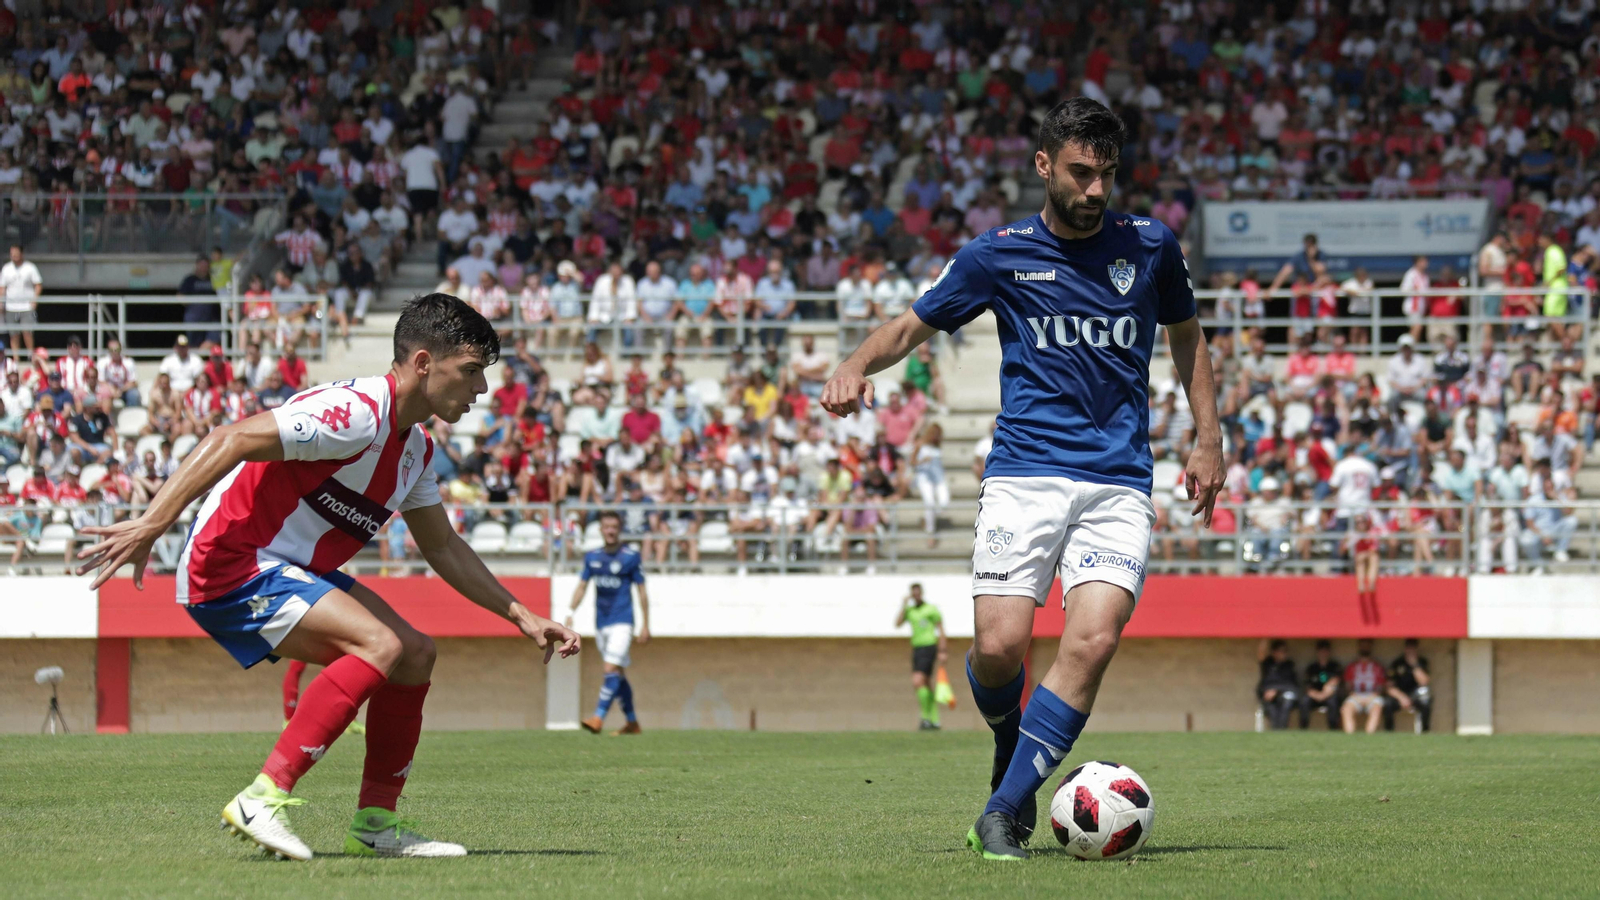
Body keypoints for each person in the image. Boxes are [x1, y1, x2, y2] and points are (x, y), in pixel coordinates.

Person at [822, 98, 1223, 861]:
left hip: (1117, 481)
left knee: (1094, 639)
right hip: (1024, 473)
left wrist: (1209, 438)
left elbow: (1186, 336)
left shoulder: (1150, 246)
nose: (1096, 189)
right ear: (1044, 166)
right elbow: (911, 327)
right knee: (1001, 648)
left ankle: (1001, 812)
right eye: (1080, 172)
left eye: (1106, 173)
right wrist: (852, 363)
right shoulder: (997, 254)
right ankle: (1012, 739)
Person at [76, 294, 580, 862]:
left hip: (289, 567)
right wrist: (152, 523)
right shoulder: (357, 412)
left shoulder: (415, 450)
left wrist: (523, 616)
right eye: (469, 373)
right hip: (231, 559)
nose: (480, 390)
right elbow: (230, 438)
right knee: (379, 644)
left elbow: (442, 545)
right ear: (421, 363)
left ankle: (374, 825)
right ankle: (262, 798)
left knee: (415, 653)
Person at [563, 510, 650, 736]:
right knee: (617, 674)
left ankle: (598, 717)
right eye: (606, 527)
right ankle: (632, 722)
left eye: (614, 527)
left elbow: (641, 591)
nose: (610, 531)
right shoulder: (592, 557)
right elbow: (582, 586)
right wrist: (571, 610)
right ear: (601, 530)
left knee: (609, 668)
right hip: (601, 623)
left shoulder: (630, 556)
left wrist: (645, 624)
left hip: (623, 621)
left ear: (619, 529)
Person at [895, 583, 948, 731]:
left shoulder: (931, 609)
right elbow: (897, 624)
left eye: (918, 593)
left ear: (922, 593)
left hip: (929, 647)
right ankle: (934, 719)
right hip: (917, 649)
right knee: (925, 683)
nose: (916, 596)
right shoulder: (910, 610)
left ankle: (925, 718)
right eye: (914, 594)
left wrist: (943, 650)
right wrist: (903, 605)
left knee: (917, 681)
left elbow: (941, 628)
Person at [1384, 638, 1432, 732]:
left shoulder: (1422, 662)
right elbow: (1389, 687)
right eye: (1409, 648)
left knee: (1426, 703)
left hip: (1416, 696)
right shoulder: (1398, 663)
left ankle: (1425, 732)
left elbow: (1424, 682)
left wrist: (1414, 665)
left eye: (1413, 648)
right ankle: (1389, 732)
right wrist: (1402, 698)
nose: (1410, 650)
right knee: (1387, 704)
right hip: (1400, 696)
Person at [2, 244, 42, 355]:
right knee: (13, 334)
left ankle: (30, 356)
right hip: (10, 307)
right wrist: (1, 303)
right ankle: (16, 359)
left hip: (26, 307)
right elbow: (2, 287)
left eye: (16, 253)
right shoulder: (6, 268)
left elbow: (38, 285)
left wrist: (34, 300)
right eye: (12, 253)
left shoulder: (30, 267)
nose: (14, 255)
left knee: (27, 332)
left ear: (22, 254)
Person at [1340, 639, 1387, 734]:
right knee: (1346, 709)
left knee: (1376, 709)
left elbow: (1381, 687)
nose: (1365, 647)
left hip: (1372, 696)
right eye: (1363, 645)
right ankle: (1349, 737)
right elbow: (1348, 687)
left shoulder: (1377, 667)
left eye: (1367, 645)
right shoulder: (1352, 667)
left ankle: (1369, 736)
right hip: (1356, 696)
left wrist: (1372, 696)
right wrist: (1353, 695)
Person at [1255, 639, 1300, 730]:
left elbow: (1293, 685)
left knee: (1286, 703)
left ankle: (1282, 732)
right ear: (1274, 652)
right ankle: (1275, 732)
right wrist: (1265, 636)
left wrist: (1276, 691)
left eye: (1285, 651)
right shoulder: (1268, 663)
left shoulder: (1289, 665)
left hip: (1283, 695)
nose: (1284, 653)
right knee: (1272, 710)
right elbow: (1260, 653)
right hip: (1268, 697)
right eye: (1281, 651)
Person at [1300, 640, 1342, 730]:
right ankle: (1303, 729)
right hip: (1314, 695)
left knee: (1333, 701)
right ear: (1317, 652)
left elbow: (1335, 683)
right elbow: (1307, 687)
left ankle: (1333, 729)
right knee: (1304, 701)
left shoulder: (1334, 666)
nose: (1323, 653)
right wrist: (1317, 695)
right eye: (1321, 651)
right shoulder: (1312, 668)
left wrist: (1324, 695)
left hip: (1328, 695)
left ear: (1329, 652)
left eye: (1325, 651)